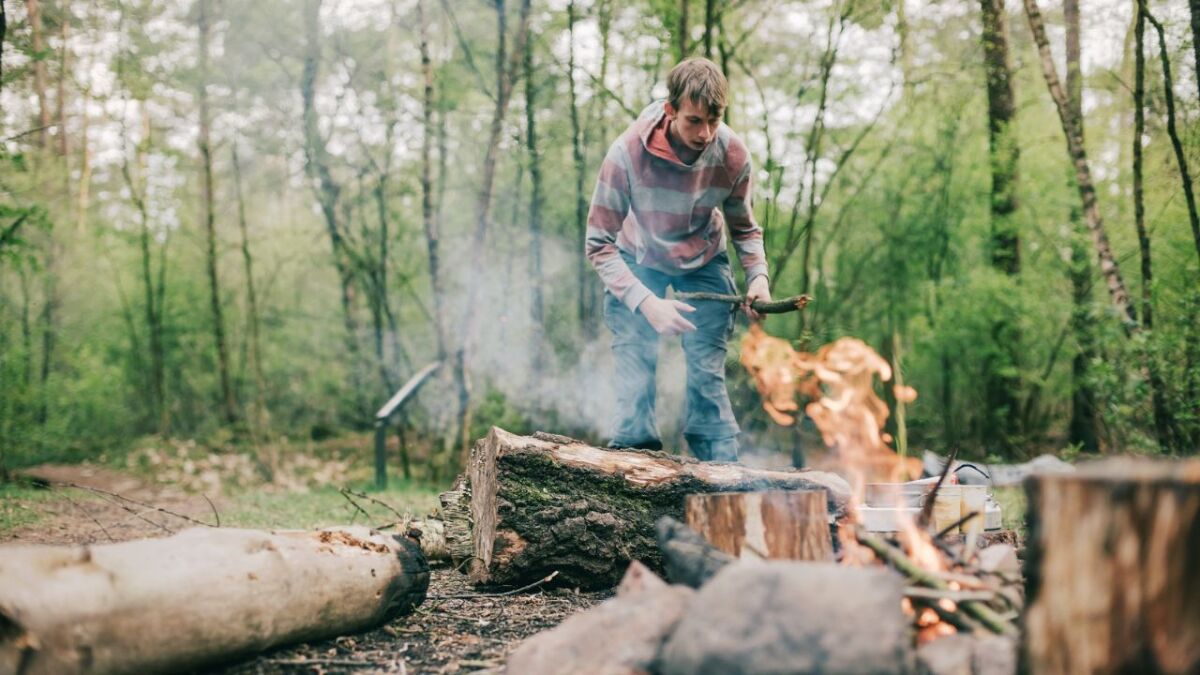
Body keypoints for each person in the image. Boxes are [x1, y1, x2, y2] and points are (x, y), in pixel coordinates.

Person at [585, 57, 770, 462]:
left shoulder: (733, 156)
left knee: (706, 370)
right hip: (638, 256)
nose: (705, 133)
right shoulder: (627, 154)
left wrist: (758, 277)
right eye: (694, 121)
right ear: (670, 111)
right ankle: (635, 463)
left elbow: (744, 228)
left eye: (715, 120)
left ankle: (721, 473)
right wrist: (647, 302)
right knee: (636, 356)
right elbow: (598, 244)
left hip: (704, 258)